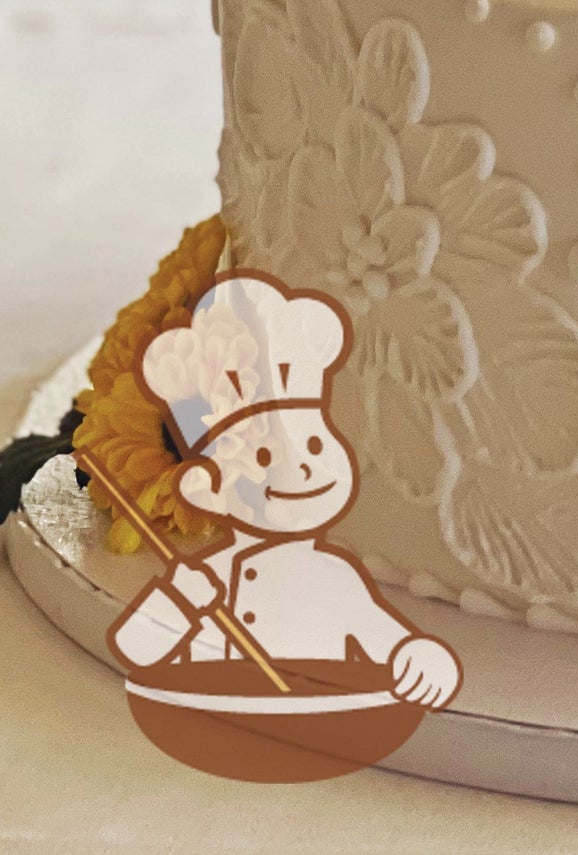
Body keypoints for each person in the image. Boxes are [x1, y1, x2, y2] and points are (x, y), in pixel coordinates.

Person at [104, 271, 461, 709]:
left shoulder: (337, 580)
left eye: (313, 444)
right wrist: (179, 600)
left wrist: (422, 659)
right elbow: (136, 650)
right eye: (265, 459)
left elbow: (393, 644)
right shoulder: (209, 579)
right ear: (207, 492)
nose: (306, 469)